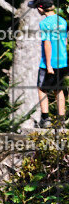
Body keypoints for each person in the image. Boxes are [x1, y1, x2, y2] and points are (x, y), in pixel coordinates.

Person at [32, 0, 68, 128]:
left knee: (42, 89)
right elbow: (65, 40)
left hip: (50, 62)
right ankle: (61, 120)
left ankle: (45, 119)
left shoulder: (45, 23)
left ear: (41, 8)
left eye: (36, 7)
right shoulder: (62, 21)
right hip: (63, 61)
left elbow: (47, 44)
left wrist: (48, 65)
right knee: (58, 90)